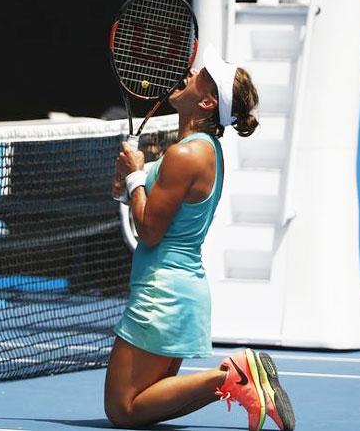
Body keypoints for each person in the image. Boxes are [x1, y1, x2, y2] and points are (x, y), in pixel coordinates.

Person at [106, 44, 295, 431]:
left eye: (199, 76)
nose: (188, 75)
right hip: (177, 292)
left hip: (162, 294)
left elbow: (149, 231)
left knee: (123, 410)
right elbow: (132, 194)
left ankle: (231, 375)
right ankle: (238, 380)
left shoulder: (186, 155)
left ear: (207, 101)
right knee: (140, 407)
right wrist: (128, 176)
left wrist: (135, 177)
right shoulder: (199, 152)